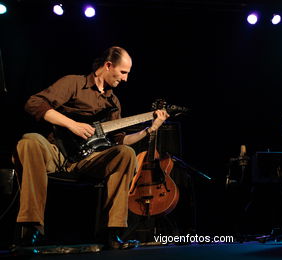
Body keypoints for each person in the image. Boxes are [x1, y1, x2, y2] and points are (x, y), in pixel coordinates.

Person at [12, 46, 169, 249]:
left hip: (89, 160)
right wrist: (72, 124)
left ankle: (113, 232)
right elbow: (34, 103)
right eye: (123, 72)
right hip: (56, 152)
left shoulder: (113, 102)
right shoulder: (74, 83)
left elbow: (120, 142)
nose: (125, 79)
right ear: (108, 65)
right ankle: (30, 227)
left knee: (126, 153)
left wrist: (150, 130)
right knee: (29, 141)